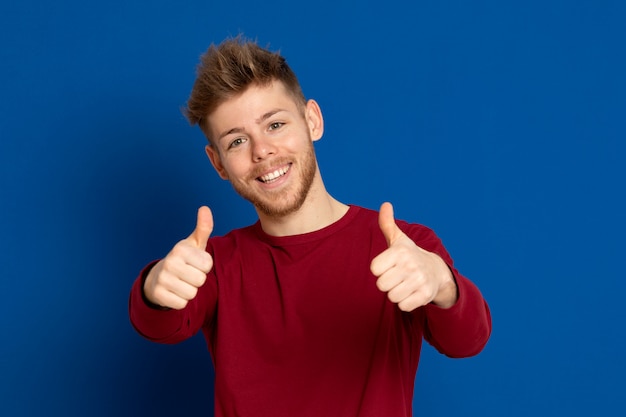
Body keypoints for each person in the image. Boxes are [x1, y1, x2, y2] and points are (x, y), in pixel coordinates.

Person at [129, 35, 491, 417]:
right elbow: (159, 325)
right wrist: (155, 286)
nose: (262, 151)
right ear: (218, 163)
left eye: (275, 124)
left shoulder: (405, 247)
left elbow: (468, 340)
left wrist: (442, 282)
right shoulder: (213, 265)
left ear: (312, 120)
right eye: (236, 142)